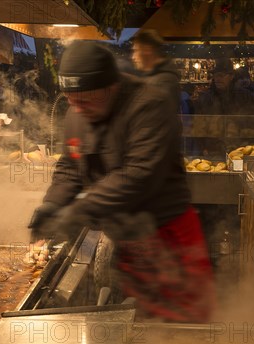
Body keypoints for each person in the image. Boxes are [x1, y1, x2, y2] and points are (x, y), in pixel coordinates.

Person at [28, 41, 215, 323]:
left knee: (186, 331)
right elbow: (70, 166)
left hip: (168, 238)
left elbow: (138, 174)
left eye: (87, 100)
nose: (79, 109)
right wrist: (52, 204)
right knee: (134, 331)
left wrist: (77, 211)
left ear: (112, 87)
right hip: (126, 240)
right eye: (71, 100)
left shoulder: (149, 104)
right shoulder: (77, 110)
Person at [131, 29, 181, 112]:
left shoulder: (164, 82)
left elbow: (152, 117)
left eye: (136, 50)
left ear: (147, 50)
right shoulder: (155, 78)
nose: (133, 57)